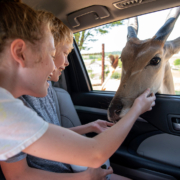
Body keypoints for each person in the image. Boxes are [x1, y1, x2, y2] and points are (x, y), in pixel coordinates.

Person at [0, 0, 156, 171]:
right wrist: (136, 109)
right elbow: (95, 153)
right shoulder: (4, 111)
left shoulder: (8, 107)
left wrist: (90, 127)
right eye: (51, 54)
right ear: (20, 53)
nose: (54, 67)